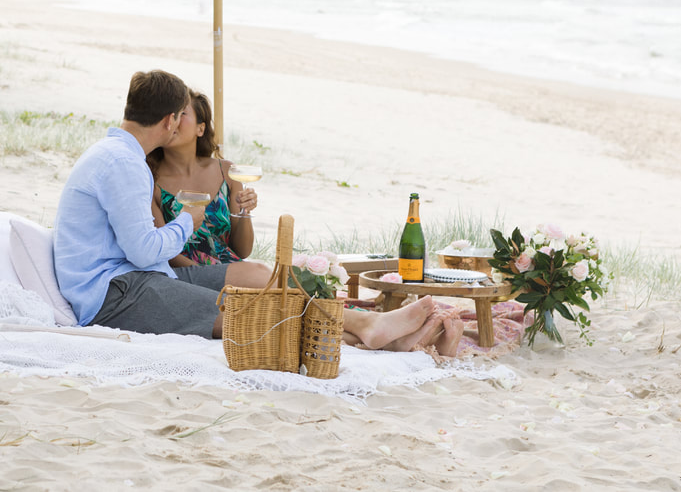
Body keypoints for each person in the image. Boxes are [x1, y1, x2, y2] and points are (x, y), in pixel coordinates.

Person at [52, 69, 462, 353]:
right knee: (254, 315)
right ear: (170, 119)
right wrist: (187, 220)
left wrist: (231, 212)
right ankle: (369, 329)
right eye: (179, 117)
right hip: (116, 294)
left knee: (259, 300)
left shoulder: (118, 157)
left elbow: (148, 252)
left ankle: (378, 336)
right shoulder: (123, 165)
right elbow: (144, 251)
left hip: (133, 281)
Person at [147, 90, 256, 267]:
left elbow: (242, 251)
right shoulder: (151, 180)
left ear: (201, 128)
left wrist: (245, 211)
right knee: (261, 273)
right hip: (185, 277)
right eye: (169, 114)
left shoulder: (227, 172)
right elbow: (163, 253)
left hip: (233, 275)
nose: (172, 120)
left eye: (182, 114)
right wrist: (211, 279)